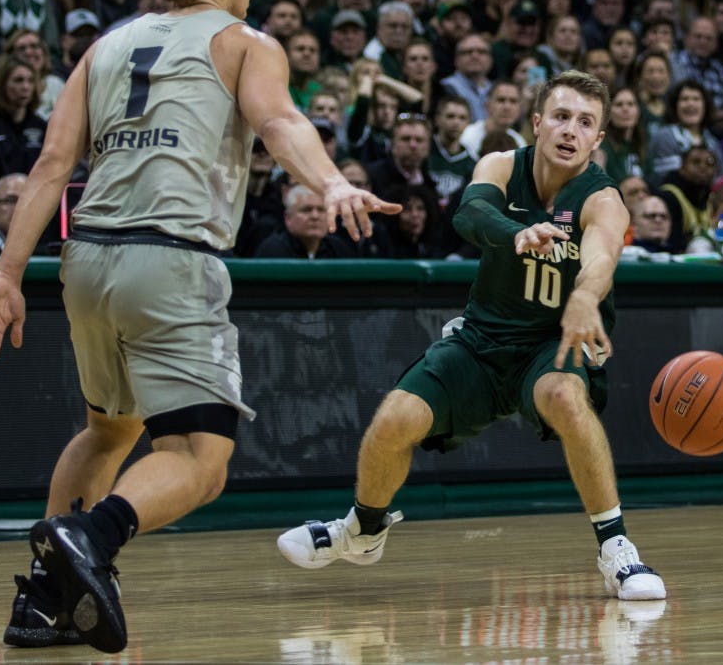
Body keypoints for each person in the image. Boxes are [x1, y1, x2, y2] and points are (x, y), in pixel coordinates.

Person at [0, 0, 399, 654]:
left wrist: (6, 274)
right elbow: (280, 121)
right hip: (169, 258)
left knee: (109, 429)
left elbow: (51, 165)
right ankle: (90, 538)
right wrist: (329, 182)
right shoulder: (245, 42)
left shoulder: (107, 45)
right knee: (201, 461)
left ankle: (44, 599)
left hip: (86, 258)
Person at [277, 70, 667, 603]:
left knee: (564, 396)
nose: (570, 129)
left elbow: (601, 255)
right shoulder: (502, 165)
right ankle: (362, 531)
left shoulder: (603, 198)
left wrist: (581, 299)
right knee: (395, 418)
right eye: (560, 115)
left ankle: (616, 546)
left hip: (549, 344)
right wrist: (517, 233)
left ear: (598, 138)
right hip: (481, 339)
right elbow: (470, 213)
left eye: (585, 122)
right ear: (536, 122)